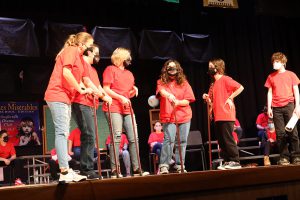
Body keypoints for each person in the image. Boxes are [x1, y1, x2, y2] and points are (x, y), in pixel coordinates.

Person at [44, 32, 94, 183]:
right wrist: (81, 90)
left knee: (64, 133)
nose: (89, 48)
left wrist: (86, 89)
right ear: (81, 44)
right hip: (57, 94)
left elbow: (76, 79)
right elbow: (66, 73)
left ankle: (67, 170)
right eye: (89, 45)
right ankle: (64, 172)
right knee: (61, 133)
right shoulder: (71, 50)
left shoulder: (78, 57)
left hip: (66, 97)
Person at [102, 47, 149, 177]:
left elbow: (127, 92)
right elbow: (106, 89)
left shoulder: (129, 74)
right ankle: (115, 169)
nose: (130, 60)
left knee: (134, 138)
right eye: (127, 57)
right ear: (121, 58)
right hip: (113, 107)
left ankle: (136, 168)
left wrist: (133, 91)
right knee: (116, 137)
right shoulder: (110, 70)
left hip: (127, 107)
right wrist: (121, 97)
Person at [71, 44, 112, 180]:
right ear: (89, 52)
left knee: (89, 136)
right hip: (81, 102)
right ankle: (86, 169)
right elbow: (87, 81)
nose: (98, 56)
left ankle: (86, 169)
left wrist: (106, 95)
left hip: (91, 104)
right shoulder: (82, 62)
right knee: (89, 135)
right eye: (96, 53)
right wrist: (103, 96)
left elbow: (98, 86)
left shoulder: (93, 69)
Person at [203, 58, 244, 170]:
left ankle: (235, 161)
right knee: (221, 140)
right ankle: (227, 161)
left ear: (217, 68)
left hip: (226, 114)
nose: (209, 69)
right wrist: (207, 99)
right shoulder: (213, 84)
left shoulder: (225, 79)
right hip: (217, 115)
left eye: (211, 66)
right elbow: (213, 101)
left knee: (228, 139)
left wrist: (230, 97)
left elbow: (240, 87)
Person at [156, 59, 195, 174]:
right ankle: (164, 165)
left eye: (174, 68)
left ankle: (179, 164)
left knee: (182, 141)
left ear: (178, 70)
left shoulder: (184, 83)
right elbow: (161, 92)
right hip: (169, 116)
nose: (172, 71)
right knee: (169, 140)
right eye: (169, 68)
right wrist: (169, 95)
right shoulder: (161, 82)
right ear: (166, 70)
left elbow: (188, 101)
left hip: (184, 116)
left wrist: (177, 102)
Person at [265, 52, 300, 165]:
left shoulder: (291, 74)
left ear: (283, 62)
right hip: (276, 108)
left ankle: (296, 156)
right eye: (273, 62)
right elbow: (269, 92)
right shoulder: (271, 76)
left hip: (289, 105)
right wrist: (269, 107)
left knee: (293, 132)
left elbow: (296, 91)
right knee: (280, 134)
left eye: (277, 62)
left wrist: (297, 106)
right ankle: (284, 157)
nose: (274, 64)